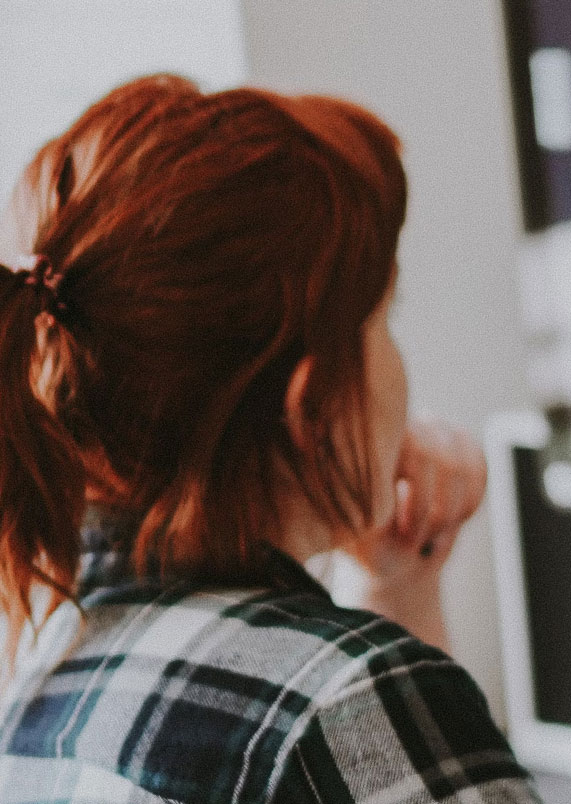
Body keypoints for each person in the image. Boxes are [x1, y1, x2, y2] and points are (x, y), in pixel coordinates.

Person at [0, 75, 541, 803]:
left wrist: (396, 583)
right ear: (313, 399)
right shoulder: (344, 699)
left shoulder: (40, 679)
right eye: (385, 317)